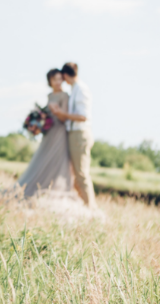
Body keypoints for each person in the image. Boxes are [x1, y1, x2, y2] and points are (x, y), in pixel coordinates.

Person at [16, 69, 71, 197]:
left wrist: (56, 111)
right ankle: (36, 189)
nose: (58, 82)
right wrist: (37, 125)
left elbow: (64, 118)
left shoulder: (65, 96)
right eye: (54, 80)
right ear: (50, 81)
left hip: (59, 133)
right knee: (41, 160)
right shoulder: (50, 96)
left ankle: (52, 190)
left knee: (56, 162)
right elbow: (46, 117)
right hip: (49, 133)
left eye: (59, 79)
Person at [49, 62, 96, 208]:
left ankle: (91, 207)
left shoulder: (81, 89)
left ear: (65, 75)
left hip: (79, 134)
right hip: (74, 134)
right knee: (76, 175)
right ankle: (85, 205)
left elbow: (83, 116)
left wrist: (62, 114)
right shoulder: (75, 89)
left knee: (81, 174)